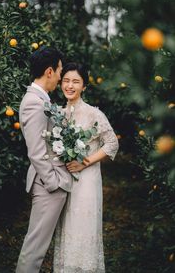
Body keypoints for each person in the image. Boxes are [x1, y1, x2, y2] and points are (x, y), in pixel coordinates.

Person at [53, 62, 119, 273]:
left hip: (87, 180)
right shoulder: (58, 115)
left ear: (84, 86)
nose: (69, 86)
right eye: (66, 81)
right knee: (67, 226)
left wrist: (85, 162)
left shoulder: (93, 114)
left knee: (83, 226)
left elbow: (112, 144)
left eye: (75, 81)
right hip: (65, 179)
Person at [16, 47, 73, 273]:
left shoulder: (42, 99)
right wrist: (53, 182)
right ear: (49, 71)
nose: (61, 77)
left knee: (38, 244)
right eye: (60, 71)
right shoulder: (34, 102)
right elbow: (36, 151)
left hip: (51, 182)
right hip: (48, 185)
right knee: (35, 247)